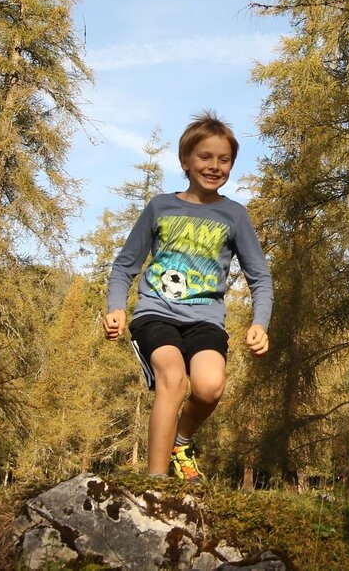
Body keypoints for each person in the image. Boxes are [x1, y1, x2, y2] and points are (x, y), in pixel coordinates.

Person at [103, 111, 272, 481]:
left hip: (205, 320)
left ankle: (181, 442)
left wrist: (260, 323)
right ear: (185, 161)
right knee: (174, 379)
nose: (214, 166)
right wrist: (115, 308)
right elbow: (125, 265)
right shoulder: (160, 207)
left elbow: (259, 276)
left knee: (209, 388)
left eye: (223, 159)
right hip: (155, 313)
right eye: (205, 157)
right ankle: (157, 484)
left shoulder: (234, 215)